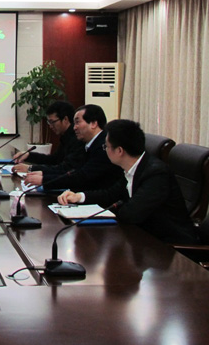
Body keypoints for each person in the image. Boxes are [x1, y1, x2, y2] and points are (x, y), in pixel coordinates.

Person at [57, 120, 199, 244]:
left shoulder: (156, 174)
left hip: (170, 248)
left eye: (106, 146)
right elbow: (110, 194)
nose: (105, 150)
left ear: (119, 151)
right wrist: (79, 197)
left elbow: (131, 214)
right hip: (144, 238)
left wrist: (101, 213)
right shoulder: (132, 168)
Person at [25, 104, 122, 191]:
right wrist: (43, 174)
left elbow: (82, 176)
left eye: (77, 122)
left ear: (93, 123)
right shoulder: (89, 144)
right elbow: (73, 170)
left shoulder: (103, 146)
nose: (74, 127)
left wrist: (44, 179)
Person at [13, 101, 85, 174]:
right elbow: (54, 160)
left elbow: (65, 168)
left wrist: (31, 168)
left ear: (65, 119)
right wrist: (28, 155)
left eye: (52, 122)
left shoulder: (77, 138)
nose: (50, 126)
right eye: (49, 122)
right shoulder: (66, 136)